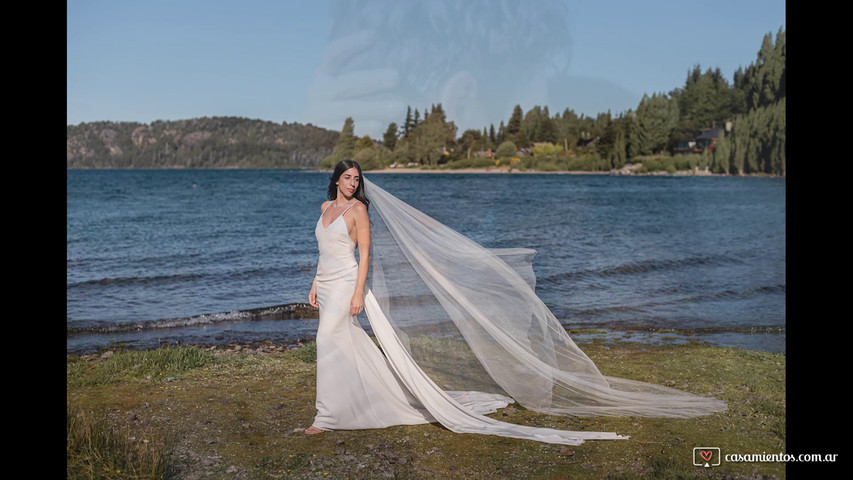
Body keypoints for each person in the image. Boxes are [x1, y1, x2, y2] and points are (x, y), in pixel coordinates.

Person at [304, 159, 726, 444]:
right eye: (348, 178)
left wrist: (359, 291)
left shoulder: (359, 211)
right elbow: (324, 250)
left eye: (358, 179)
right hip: (325, 282)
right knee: (342, 345)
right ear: (336, 180)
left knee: (329, 342)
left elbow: (364, 257)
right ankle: (352, 401)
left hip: (346, 286)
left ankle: (326, 416)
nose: (353, 183)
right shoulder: (325, 208)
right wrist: (312, 284)